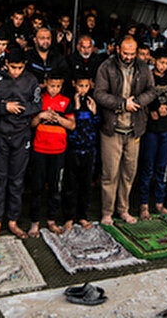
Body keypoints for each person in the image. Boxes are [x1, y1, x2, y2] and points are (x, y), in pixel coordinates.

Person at [94, 36, 155, 225]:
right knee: (110, 174)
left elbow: (152, 91)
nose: (129, 57)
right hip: (112, 129)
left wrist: (135, 103)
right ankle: (107, 212)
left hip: (134, 129)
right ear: (118, 49)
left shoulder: (143, 68)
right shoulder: (107, 67)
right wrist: (122, 104)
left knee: (129, 173)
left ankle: (123, 210)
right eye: (125, 53)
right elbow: (99, 94)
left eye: (132, 53)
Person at [0, 47, 40, 240]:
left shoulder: (31, 80)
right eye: (12, 67)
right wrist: (4, 107)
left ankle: (12, 221)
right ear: (6, 64)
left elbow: (37, 104)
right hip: (0, 135)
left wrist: (19, 108)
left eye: (19, 67)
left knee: (17, 181)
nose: (16, 71)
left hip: (21, 135)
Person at [28, 66, 73, 236]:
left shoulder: (66, 102)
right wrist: (40, 117)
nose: (54, 89)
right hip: (40, 149)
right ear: (45, 83)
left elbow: (72, 125)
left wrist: (58, 118)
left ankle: (51, 220)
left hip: (58, 150)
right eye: (52, 85)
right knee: (37, 187)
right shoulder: (39, 101)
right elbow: (31, 124)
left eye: (58, 86)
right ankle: (34, 222)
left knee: (55, 187)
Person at [135, 46, 167, 219]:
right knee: (147, 167)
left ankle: (159, 203)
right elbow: (143, 96)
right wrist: (154, 108)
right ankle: (143, 205)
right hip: (151, 129)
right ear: (154, 61)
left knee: (162, 167)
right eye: (161, 62)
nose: (164, 66)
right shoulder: (148, 77)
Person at [60, 74, 98, 230]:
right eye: (80, 86)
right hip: (72, 148)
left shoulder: (92, 102)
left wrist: (94, 112)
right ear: (74, 84)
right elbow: (69, 124)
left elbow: (97, 124)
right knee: (70, 184)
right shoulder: (69, 102)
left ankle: (82, 215)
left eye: (86, 86)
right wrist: (75, 107)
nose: (83, 90)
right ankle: (68, 216)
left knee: (85, 185)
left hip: (88, 149)